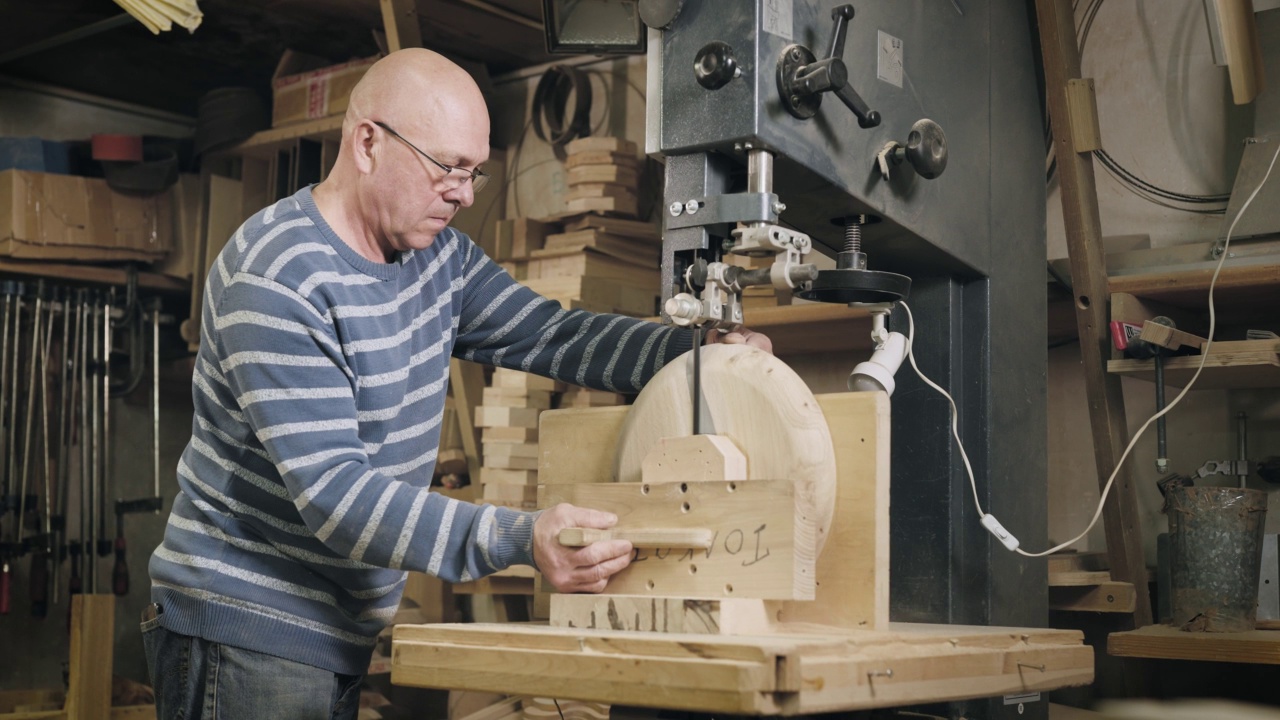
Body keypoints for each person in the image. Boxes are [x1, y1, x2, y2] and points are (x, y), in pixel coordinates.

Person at [143, 47, 770, 719]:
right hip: (246, 627)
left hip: (332, 632)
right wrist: (520, 538)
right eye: (448, 167)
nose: (465, 194)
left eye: (475, 172)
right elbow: (335, 496)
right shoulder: (278, 276)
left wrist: (693, 351)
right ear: (367, 143)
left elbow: (550, 336)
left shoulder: (435, 257)